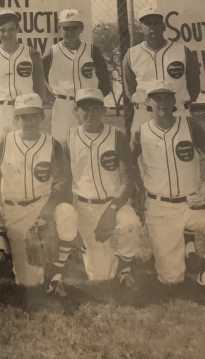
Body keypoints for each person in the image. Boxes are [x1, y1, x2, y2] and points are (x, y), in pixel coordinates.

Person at [0, 92, 78, 296]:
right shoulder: (4, 143)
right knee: (29, 283)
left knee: (67, 213)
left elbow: (62, 179)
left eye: (33, 116)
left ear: (41, 117)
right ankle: (19, 252)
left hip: (43, 207)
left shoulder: (52, 144)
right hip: (14, 209)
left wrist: (49, 206)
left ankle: (56, 274)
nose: (28, 121)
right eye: (23, 116)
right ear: (15, 119)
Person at [131, 80, 205, 287]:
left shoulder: (189, 125)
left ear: (175, 100)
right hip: (160, 208)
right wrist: (138, 189)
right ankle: (186, 250)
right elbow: (128, 165)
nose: (163, 102)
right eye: (157, 98)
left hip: (192, 202)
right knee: (171, 280)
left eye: (167, 97)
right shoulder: (141, 132)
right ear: (148, 101)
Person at [61, 88, 141, 287]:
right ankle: (106, 256)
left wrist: (110, 212)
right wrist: (72, 227)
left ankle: (125, 268)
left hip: (115, 203)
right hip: (85, 207)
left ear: (103, 110)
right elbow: (64, 184)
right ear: (75, 111)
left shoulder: (117, 136)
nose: (90, 114)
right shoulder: (68, 139)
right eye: (84, 109)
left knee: (130, 224)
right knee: (101, 277)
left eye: (96, 108)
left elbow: (127, 181)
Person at [122, 6, 200, 138]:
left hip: (178, 111)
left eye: (156, 22)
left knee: (182, 155)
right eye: (147, 23)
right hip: (145, 115)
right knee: (144, 157)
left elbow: (194, 85)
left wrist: (181, 104)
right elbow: (129, 89)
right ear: (140, 27)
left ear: (164, 26)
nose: (152, 27)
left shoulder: (183, 51)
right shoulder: (131, 55)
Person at [0, 9, 46, 151]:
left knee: (26, 150)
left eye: (11, 29)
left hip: (25, 110)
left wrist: (34, 111)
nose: (6, 34)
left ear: (18, 29)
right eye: (2, 30)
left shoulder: (32, 54)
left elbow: (40, 87)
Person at [43, 9, 111, 142]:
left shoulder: (92, 50)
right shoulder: (53, 52)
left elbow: (105, 82)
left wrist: (95, 99)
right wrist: (49, 95)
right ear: (59, 29)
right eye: (66, 28)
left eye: (74, 28)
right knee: (62, 144)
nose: (70, 32)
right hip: (63, 105)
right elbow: (38, 75)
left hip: (87, 105)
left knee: (89, 142)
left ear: (81, 28)